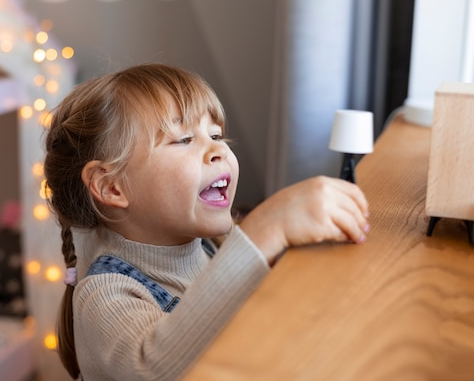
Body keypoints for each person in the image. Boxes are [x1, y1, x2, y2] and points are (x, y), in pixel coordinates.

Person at [43, 63, 370, 380]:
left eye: (216, 134)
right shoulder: (104, 294)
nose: (218, 150)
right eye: (184, 139)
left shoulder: (211, 249)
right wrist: (265, 230)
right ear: (112, 186)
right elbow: (153, 368)